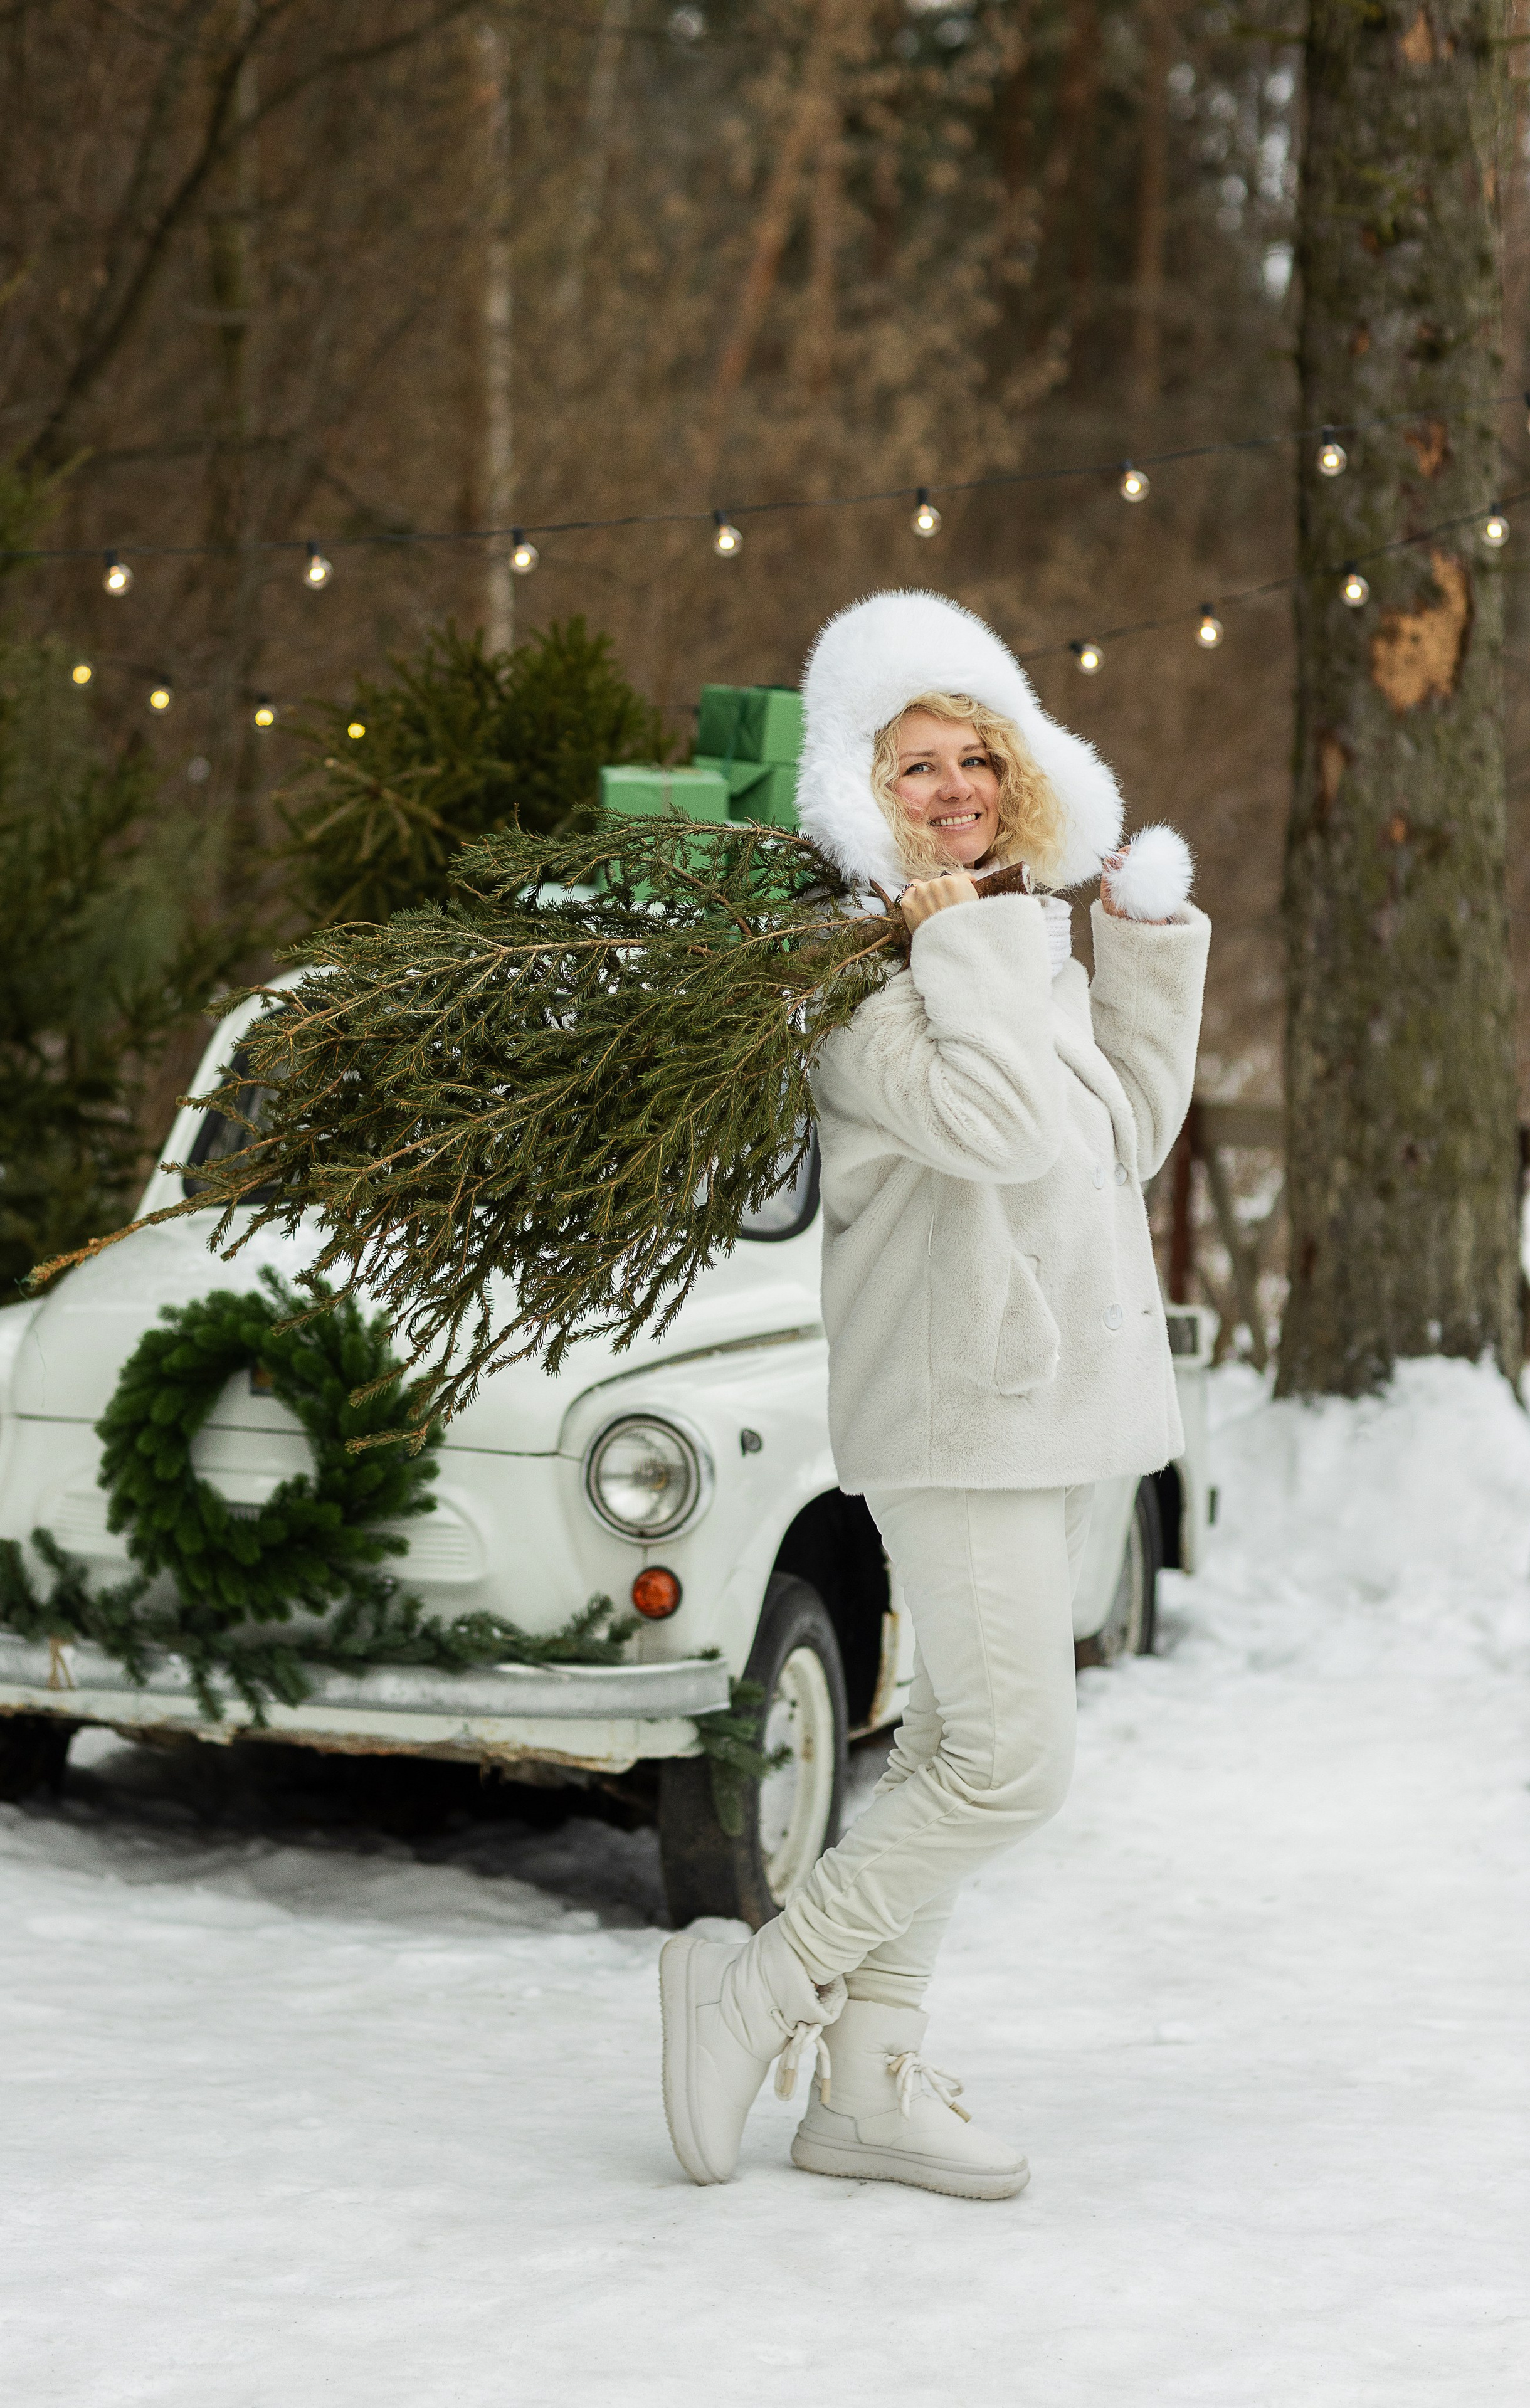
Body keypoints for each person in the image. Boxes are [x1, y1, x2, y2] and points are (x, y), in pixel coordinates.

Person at [659, 588, 1210, 2200]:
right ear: (854, 788)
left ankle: (866, 2080)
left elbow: (1114, 1140)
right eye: (914, 766)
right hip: (956, 1403)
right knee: (1009, 1770)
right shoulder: (852, 986)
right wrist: (962, 933)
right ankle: (757, 1987)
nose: (955, 786)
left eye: (979, 753)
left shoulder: (1000, 943)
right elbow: (997, 1132)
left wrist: (1140, 946)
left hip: (1050, 1398)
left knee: (961, 1742)